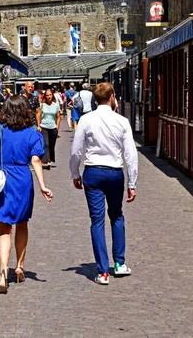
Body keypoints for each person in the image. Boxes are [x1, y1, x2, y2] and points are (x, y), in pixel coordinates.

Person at [69, 82, 138, 286]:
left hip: (93, 172)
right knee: (116, 215)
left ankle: (103, 271)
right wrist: (132, 182)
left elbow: (76, 151)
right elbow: (130, 154)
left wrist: (75, 172)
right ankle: (119, 263)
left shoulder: (86, 120)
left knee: (97, 220)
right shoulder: (122, 121)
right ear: (112, 97)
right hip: (115, 172)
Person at [0, 96, 53, 294]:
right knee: (22, 223)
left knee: (4, 229)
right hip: (23, 179)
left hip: (3, 178)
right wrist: (42, 186)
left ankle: (3, 270)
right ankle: (20, 266)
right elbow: (36, 161)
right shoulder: (33, 134)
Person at [37, 89, 61, 169]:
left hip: (53, 127)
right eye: (47, 95)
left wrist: (57, 128)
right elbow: (39, 115)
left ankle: (50, 159)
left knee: (51, 145)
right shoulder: (42, 105)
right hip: (44, 126)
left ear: (52, 95)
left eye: (50, 95)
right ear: (45, 96)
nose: (49, 96)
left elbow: (58, 118)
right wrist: (38, 125)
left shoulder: (56, 105)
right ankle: (47, 161)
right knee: (46, 144)